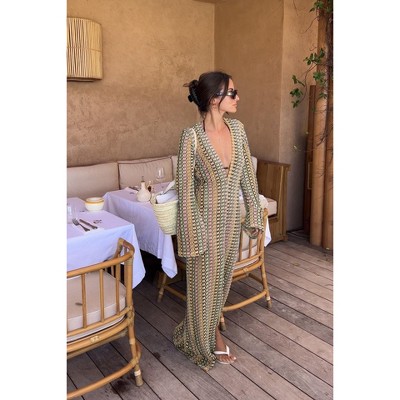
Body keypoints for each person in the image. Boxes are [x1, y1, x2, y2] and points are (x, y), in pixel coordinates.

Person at [173, 70, 264, 371]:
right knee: (203, 288)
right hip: (203, 225)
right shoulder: (191, 137)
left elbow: (248, 177)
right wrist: (192, 234)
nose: (238, 98)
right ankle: (207, 341)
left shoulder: (237, 130)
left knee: (222, 284)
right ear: (214, 99)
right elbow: (185, 190)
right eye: (232, 93)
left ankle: (203, 330)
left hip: (230, 224)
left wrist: (254, 215)